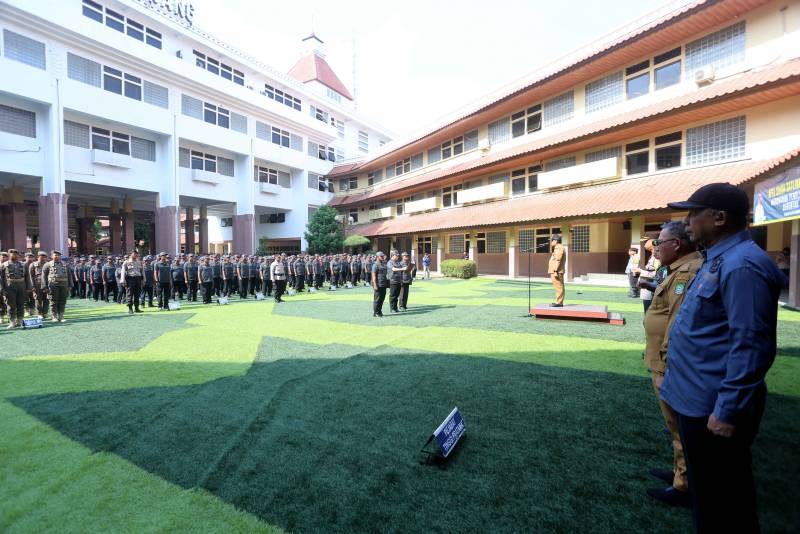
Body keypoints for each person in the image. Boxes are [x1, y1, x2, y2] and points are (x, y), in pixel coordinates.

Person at [661, 183, 787, 533]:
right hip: (696, 398)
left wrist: (729, 408)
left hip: (713, 407)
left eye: (693, 213)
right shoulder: (719, 259)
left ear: (719, 218)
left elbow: (751, 343)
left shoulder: (742, 265)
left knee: (724, 503)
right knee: (710, 498)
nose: (687, 221)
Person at [642, 221, 703, 507]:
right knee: (673, 425)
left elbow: (676, 323)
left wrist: (666, 365)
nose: (655, 248)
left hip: (667, 363)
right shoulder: (677, 269)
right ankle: (680, 470)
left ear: (676, 244)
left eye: (659, 242)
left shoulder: (687, 272)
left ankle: (684, 484)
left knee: (677, 425)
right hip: (661, 359)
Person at [0, 249, 32, 328]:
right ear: (9, 255)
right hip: (9, 287)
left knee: (21, 304)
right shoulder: (3, 265)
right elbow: (1, 278)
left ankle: (20, 321)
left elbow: (27, 277)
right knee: (11, 305)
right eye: (12, 254)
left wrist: (28, 287)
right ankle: (12, 322)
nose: (14, 255)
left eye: (16, 254)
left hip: (21, 286)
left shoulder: (24, 265)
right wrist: (2, 289)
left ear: (18, 255)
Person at [42, 250, 70, 322]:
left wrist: (70, 285)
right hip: (53, 285)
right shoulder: (47, 265)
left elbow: (69, 275)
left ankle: (61, 316)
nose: (57, 256)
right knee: (53, 301)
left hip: (64, 285)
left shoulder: (65, 264)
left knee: (63, 301)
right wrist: (45, 287)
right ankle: (54, 316)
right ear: (52, 256)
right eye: (55, 255)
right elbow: (44, 277)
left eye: (58, 255)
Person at [635, 240, 662, 313]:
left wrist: (641, 271)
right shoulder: (652, 257)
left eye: (651, 249)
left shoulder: (657, 259)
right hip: (647, 285)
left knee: (648, 310)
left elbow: (656, 274)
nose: (652, 251)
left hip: (650, 285)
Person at [29, 251, 50, 318]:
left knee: (47, 299)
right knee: (38, 300)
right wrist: (32, 286)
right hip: (37, 284)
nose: (43, 258)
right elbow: (31, 276)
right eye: (42, 256)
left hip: (47, 284)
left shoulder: (48, 264)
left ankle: (45, 313)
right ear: (38, 257)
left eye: (45, 257)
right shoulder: (33, 265)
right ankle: (39, 313)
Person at [548, 234, 566, 307]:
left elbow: (557, 260)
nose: (551, 242)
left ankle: (559, 303)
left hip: (557, 271)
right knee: (558, 286)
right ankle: (559, 302)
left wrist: (555, 271)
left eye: (552, 240)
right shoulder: (557, 247)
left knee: (559, 287)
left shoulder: (559, 248)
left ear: (555, 241)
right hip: (556, 271)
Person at [371, 251, 388, 317]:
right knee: (377, 299)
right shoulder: (375, 265)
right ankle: (376, 312)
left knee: (382, 299)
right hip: (378, 284)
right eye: (381, 256)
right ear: (377, 257)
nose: (382, 257)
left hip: (383, 283)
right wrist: (375, 285)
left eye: (383, 256)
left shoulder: (383, 264)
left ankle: (379, 311)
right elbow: (373, 276)